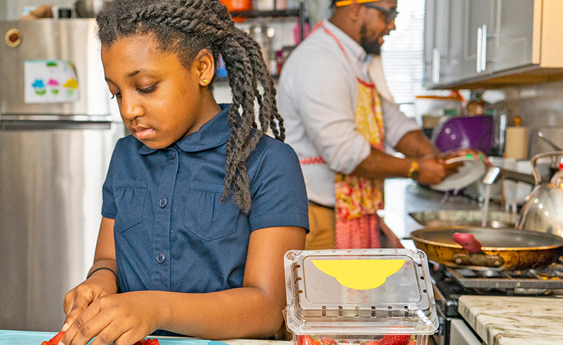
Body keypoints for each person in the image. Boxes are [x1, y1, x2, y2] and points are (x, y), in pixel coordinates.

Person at [60, 1, 309, 344]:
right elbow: (108, 258)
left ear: (202, 67)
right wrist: (99, 280)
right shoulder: (125, 156)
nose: (129, 109)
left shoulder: (269, 163)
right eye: (116, 93)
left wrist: (156, 309)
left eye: (146, 86)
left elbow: (267, 308)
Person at [277, 0, 458, 250]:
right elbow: (345, 154)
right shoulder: (319, 60)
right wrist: (416, 169)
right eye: (388, 14)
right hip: (316, 219)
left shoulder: (358, 59)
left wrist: (436, 159)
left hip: (345, 211)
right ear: (354, 8)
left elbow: (393, 121)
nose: (393, 25)